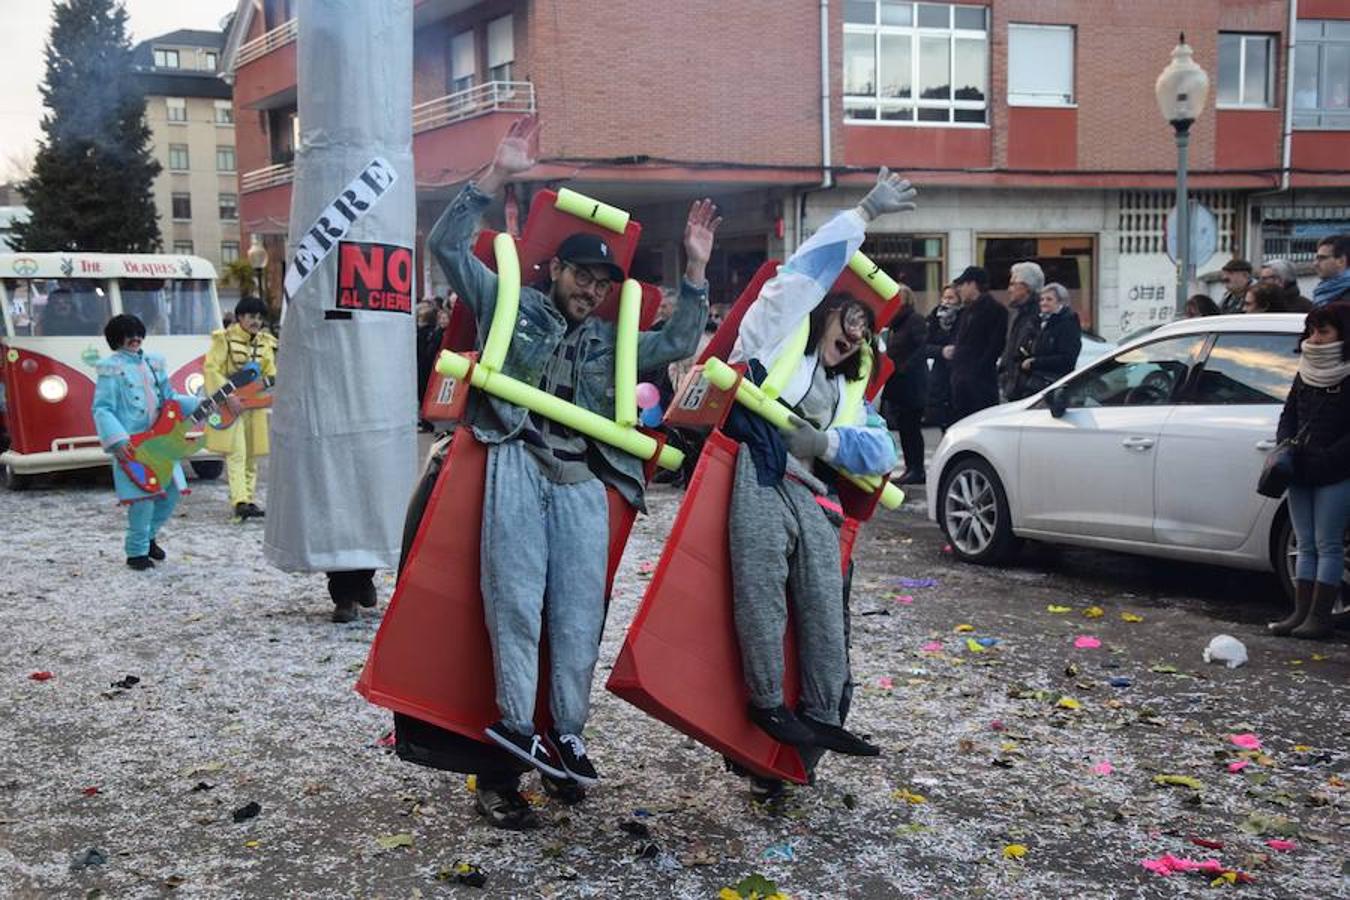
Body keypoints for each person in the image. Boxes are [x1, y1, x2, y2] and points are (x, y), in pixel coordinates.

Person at [426, 119, 715, 822]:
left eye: (602, 280)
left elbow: (679, 340)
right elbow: (445, 248)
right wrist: (494, 178)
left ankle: (565, 740)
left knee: (580, 619)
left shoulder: (611, 341)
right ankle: (506, 758)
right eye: (582, 273)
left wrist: (697, 271)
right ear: (555, 268)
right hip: (517, 462)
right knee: (515, 608)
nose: (591, 288)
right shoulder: (508, 304)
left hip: (584, 479)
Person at [726, 167, 913, 768]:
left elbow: (882, 452)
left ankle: (823, 714)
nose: (857, 336)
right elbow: (806, 269)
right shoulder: (779, 331)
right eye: (851, 321)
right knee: (761, 587)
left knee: (823, 598)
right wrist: (864, 214)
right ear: (827, 312)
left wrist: (827, 445)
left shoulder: (849, 388)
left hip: (812, 489)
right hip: (758, 463)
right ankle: (765, 702)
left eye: (867, 332)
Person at [92, 314, 202, 570]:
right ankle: (136, 552)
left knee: (170, 493)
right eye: (128, 334)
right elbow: (103, 409)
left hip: (162, 442)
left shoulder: (154, 364)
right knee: (142, 499)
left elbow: (170, 398)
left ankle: (149, 537)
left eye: (138, 333)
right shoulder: (111, 368)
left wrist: (200, 403)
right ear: (117, 339)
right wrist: (117, 440)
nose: (134, 339)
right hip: (133, 446)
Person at [1267, 303, 1350, 640]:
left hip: (1335, 471)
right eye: (1313, 331)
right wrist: (1286, 445)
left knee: (1328, 544)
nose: (1315, 339)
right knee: (1305, 544)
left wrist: (1327, 458)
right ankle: (1300, 614)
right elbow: (1289, 414)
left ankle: (1319, 617)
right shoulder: (1305, 370)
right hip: (1300, 468)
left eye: (1324, 331)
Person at [204, 296, 278, 521]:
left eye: (259, 317)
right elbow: (211, 369)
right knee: (237, 453)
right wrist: (228, 396)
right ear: (240, 317)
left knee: (252, 455)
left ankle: (249, 499)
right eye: (251, 316)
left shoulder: (267, 342)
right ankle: (240, 501)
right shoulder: (223, 339)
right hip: (231, 406)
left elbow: (270, 373)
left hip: (253, 405)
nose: (256, 321)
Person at [944, 266, 1008, 421]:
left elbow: (994, 348)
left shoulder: (995, 310)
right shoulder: (966, 311)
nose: (959, 290)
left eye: (962, 285)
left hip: (980, 386)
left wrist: (974, 373)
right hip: (961, 384)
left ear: (973, 284)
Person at [882, 284, 928, 485]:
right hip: (899, 382)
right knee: (904, 428)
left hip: (911, 382)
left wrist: (904, 366)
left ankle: (916, 469)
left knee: (911, 427)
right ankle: (911, 467)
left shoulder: (914, 320)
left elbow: (922, 347)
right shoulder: (894, 324)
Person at [1011, 282, 1082, 399]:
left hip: (1052, 386)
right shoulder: (1038, 322)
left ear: (1061, 302)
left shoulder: (1068, 323)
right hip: (1030, 384)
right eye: (1042, 299)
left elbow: (1067, 358)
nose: (1043, 303)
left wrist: (1034, 362)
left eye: (1049, 299)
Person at [997, 261, 1045, 401]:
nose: (1009, 289)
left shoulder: (1038, 314)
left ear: (1026, 287)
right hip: (1012, 387)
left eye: (1013, 284)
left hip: (1027, 390)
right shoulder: (1017, 313)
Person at [923, 285, 961, 429]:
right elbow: (924, 346)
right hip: (940, 376)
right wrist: (941, 351)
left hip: (958, 374)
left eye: (951, 298)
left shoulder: (964, 316)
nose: (946, 301)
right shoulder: (934, 318)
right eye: (945, 297)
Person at [1312, 234, 1350, 307]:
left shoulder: (1344, 302)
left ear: (1341, 261)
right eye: (1316, 258)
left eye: (1322, 258)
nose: (1315, 263)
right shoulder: (1325, 293)